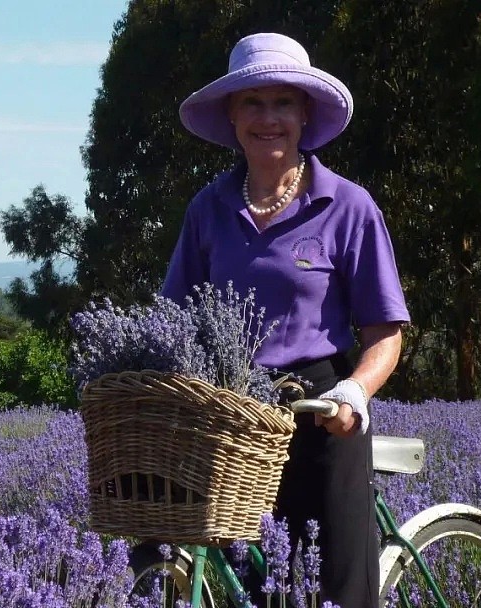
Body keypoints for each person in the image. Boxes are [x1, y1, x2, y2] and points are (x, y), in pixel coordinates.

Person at [160, 32, 410, 608]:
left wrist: (355, 391)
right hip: (236, 414)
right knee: (249, 586)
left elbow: (385, 333)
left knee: (338, 586)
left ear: (304, 114)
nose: (267, 118)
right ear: (231, 115)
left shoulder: (347, 205)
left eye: (282, 103)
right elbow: (173, 320)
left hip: (325, 411)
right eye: (252, 102)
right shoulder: (208, 209)